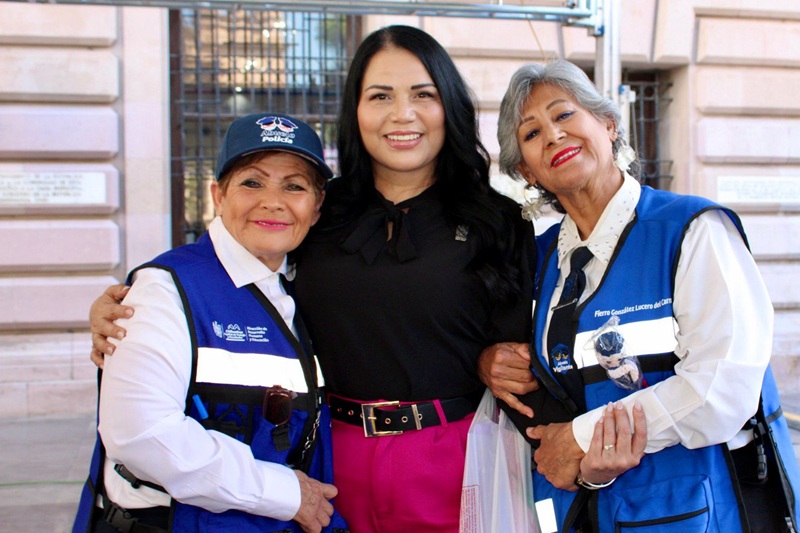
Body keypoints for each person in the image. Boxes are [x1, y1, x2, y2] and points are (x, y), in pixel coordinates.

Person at [85, 26, 534, 533]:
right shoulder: (316, 210)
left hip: (454, 455)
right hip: (324, 459)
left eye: (423, 94)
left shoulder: (499, 220)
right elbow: (238, 279)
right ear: (356, 110)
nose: (401, 114)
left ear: (448, 104)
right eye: (380, 95)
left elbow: (523, 345)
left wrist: (497, 361)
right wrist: (132, 303)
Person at [479, 60, 800, 532]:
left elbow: (720, 390)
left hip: (700, 512)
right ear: (527, 172)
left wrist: (581, 438)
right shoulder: (539, 260)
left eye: (564, 115)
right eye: (532, 133)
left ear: (607, 125)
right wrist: (490, 360)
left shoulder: (692, 230)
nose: (553, 136)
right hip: (591, 511)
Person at [73, 113, 349, 533]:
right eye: (252, 182)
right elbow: (140, 433)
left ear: (315, 208)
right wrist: (285, 493)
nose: (273, 201)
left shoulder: (298, 287)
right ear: (218, 196)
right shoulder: (164, 291)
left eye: (294, 186)